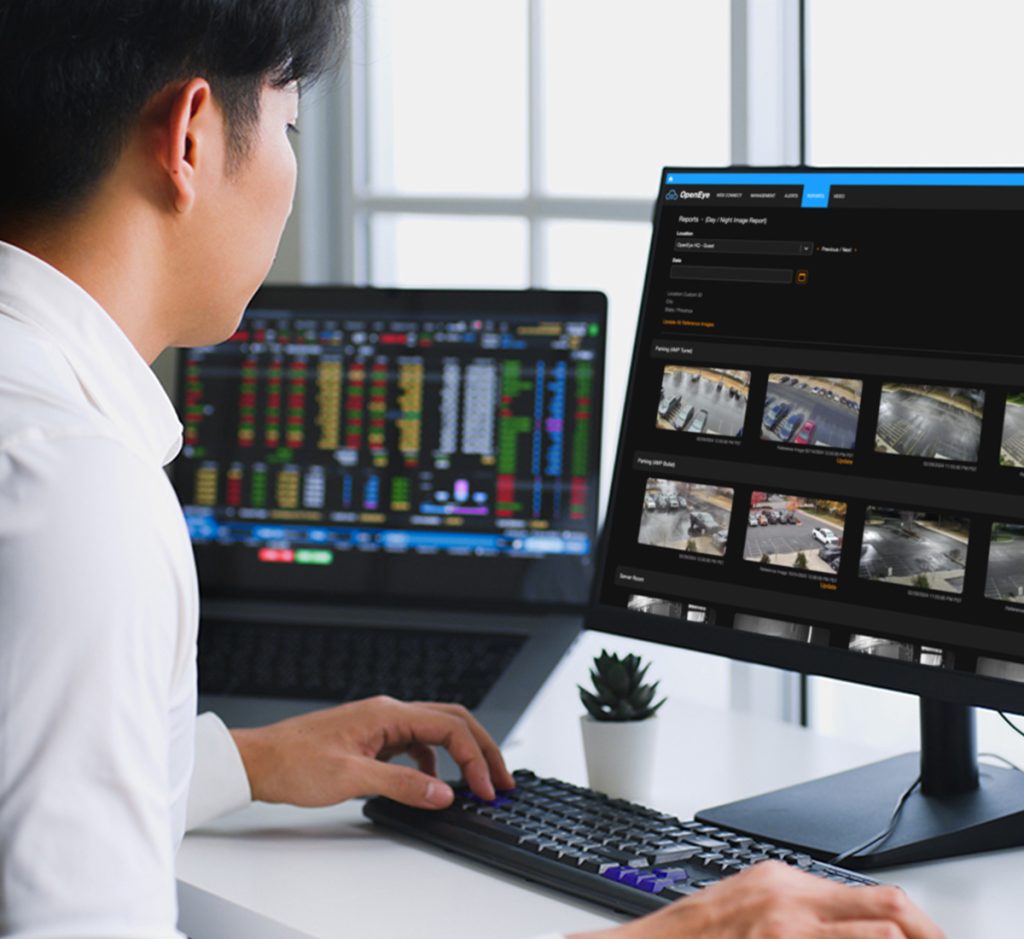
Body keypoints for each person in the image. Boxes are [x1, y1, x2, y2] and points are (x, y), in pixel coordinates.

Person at [0, 3, 944, 938]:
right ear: (192, 137)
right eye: (289, 128)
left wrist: (241, 761)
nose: (292, 176)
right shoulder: (80, 497)